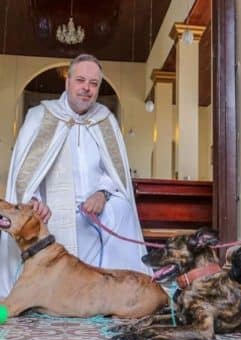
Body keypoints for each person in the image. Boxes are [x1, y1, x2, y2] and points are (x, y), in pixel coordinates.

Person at [0, 54, 149, 297]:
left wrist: (102, 194)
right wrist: (35, 202)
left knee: (121, 208)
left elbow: (114, 173)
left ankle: (118, 288)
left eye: (93, 83)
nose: (86, 88)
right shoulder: (41, 116)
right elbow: (26, 176)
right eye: (80, 80)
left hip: (93, 211)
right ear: (67, 82)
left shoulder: (105, 120)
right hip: (52, 212)